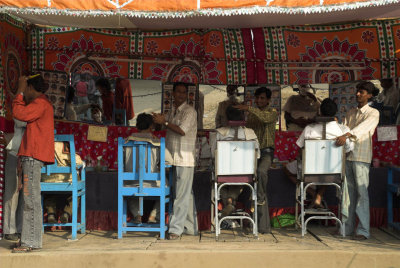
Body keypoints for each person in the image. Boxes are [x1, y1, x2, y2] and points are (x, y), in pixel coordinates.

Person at [11, 74, 55, 252]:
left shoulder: (40, 103)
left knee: (31, 200)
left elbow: (18, 113)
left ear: (30, 88)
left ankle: (31, 242)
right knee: (31, 199)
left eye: (26, 88)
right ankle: (29, 240)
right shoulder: (43, 103)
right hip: (33, 156)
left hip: (33, 156)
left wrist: (19, 91)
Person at [285, 98, 354, 208]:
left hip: (309, 172)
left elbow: (300, 151)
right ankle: (318, 196)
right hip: (334, 173)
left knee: (287, 169)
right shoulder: (343, 131)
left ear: (320, 112)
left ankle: (313, 194)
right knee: (328, 168)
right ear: (335, 112)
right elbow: (350, 149)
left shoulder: (309, 129)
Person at [152, 82, 198, 240]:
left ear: (186, 95)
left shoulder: (189, 111)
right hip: (173, 158)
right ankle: (191, 228)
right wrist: (159, 122)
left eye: (183, 92)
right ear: (172, 93)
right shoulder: (172, 111)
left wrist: (164, 122)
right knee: (185, 195)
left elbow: (182, 130)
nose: (180, 95)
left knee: (180, 196)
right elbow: (165, 129)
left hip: (184, 159)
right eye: (178, 92)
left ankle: (175, 230)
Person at [336, 81, 380, 240]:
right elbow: (344, 129)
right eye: (357, 91)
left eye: (361, 92)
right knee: (348, 193)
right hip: (348, 155)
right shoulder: (351, 112)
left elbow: (362, 129)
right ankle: (346, 228)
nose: (358, 94)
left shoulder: (373, 113)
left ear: (369, 95)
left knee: (362, 193)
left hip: (361, 156)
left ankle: (363, 231)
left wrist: (346, 135)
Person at [234, 87, 278, 234]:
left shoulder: (272, 112)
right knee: (246, 182)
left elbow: (264, 118)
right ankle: (247, 217)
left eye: (262, 98)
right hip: (251, 153)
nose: (259, 101)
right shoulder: (252, 115)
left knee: (261, 172)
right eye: (257, 98)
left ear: (268, 100)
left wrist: (248, 108)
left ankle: (259, 197)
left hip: (266, 152)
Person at [210, 105, 260, 219]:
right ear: (243, 117)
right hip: (244, 174)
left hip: (222, 173)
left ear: (227, 118)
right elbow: (257, 155)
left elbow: (213, 154)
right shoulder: (250, 133)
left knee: (220, 182)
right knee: (239, 179)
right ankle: (231, 201)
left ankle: (228, 202)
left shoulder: (219, 134)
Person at [124, 113, 170, 224]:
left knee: (127, 189)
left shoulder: (125, 141)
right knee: (168, 187)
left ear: (137, 126)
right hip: (152, 182)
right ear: (151, 127)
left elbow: (120, 163)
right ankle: (154, 215)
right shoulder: (157, 142)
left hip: (131, 181)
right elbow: (168, 161)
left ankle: (137, 214)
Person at [3, 89, 26, 241]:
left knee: (25, 194)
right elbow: (19, 119)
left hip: (28, 154)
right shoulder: (22, 107)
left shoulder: (33, 106)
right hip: (15, 152)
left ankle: (19, 228)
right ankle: (9, 229)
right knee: (12, 192)